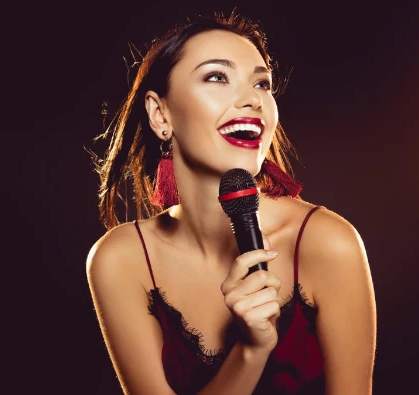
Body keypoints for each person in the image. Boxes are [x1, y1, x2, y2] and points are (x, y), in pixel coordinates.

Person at [86, 10, 377, 395]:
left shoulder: (327, 243)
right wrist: (251, 350)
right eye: (217, 77)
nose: (251, 100)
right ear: (161, 114)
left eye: (262, 84)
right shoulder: (122, 260)